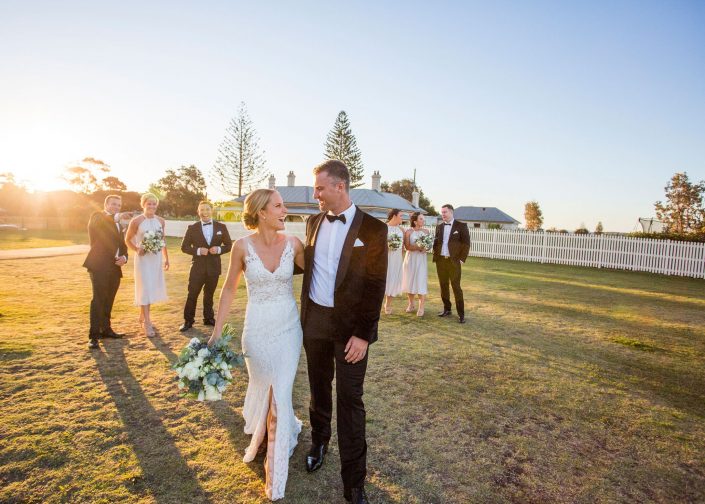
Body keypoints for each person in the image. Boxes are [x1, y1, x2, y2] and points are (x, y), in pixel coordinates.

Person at [208, 188, 305, 501]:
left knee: (281, 389)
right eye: (278, 206)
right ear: (262, 212)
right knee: (265, 386)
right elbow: (228, 291)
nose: (284, 210)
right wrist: (217, 331)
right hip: (257, 330)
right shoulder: (241, 247)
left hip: (289, 329)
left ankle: (275, 480)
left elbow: (319, 277)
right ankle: (269, 428)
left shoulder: (294, 244)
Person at [300, 160, 387, 504]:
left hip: (352, 331)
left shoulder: (374, 230)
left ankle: (354, 483)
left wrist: (364, 335)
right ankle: (319, 441)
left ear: (340, 187)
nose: (316, 194)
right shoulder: (311, 222)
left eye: (320, 188)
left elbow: (376, 286)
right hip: (315, 322)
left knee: (350, 400)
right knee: (318, 387)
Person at [83, 195, 129, 349]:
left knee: (109, 299)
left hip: (115, 267)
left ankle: (106, 329)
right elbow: (101, 224)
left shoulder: (118, 225)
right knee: (98, 300)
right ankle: (93, 336)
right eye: (113, 204)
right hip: (99, 265)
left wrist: (125, 257)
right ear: (106, 204)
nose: (116, 207)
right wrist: (118, 217)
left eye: (119, 205)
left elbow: (122, 246)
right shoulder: (97, 217)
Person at [179, 201, 233, 331]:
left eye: (207, 209)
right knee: (192, 294)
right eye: (202, 210)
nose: (204, 212)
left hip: (214, 268)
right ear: (198, 212)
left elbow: (229, 245)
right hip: (197, 268)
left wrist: (219, 249)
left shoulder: (221, 227)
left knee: (209, 295)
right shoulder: (192, 228)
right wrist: (198, 251)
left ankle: (208, 318)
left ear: (211, 210)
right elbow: (184, 247)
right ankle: (188, 321)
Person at [125, 193, 169, 337]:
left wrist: (166, 258)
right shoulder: (136, 221)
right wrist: (137, 249)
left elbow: (163, 241)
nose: (151, 206)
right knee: (145, 288)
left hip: (155, 259)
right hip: (143, 260)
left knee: (151, 287)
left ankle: (143, 316)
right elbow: (127, 240)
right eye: (148, 203)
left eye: (154, 204)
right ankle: (147, 323)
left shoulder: (161, 221)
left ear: (157, 205)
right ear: (143, 204)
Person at [432, 204, 470, 323]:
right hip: (441, 261)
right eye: (442, 212)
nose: (443, 214)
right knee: (443, 286)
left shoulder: (461, 226)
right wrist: (435, 254)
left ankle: (461, 314)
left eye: (445, 212)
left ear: (451, 212)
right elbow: (436, 242)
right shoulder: (439, 227)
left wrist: (461, 259)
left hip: (454, 262)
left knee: (456, 287)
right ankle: (447, 309)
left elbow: (466, 244)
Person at [401, 212, 430, 317]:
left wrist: (425, 247)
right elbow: (407, 247)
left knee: (420, 280)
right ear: (415, 221)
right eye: (421, 219)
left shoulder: (426, 231)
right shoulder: (408, 232)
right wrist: (419, 247)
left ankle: (421, 307)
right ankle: (411, 304)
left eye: (423, 219)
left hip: (421, 259)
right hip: (410, 259)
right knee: (410, 280)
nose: (423, 221)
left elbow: (429, 246)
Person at [383, 209, 404, 314]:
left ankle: (388, 304)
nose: (402, 218)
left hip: (397, 259)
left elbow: (403, 247)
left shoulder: (401, 229)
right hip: (385, 258)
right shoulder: (384, 228)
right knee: (384, 279)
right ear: (394, 216)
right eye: (401, 216)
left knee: (393, 280)